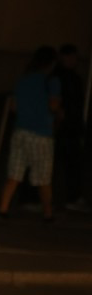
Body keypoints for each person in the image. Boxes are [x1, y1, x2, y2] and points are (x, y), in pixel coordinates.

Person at [0, 45, 61, 222]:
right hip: (41, 133)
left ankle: (3, 209)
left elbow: (14, 107)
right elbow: (54, 106)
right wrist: (58, 112)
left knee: (14, 174)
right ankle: (48, 212)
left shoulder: (23, 80)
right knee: (43, 177)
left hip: (20, 131)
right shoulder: (51, 81)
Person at [54, 43, 88, 211]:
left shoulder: (72, 78)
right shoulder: (61, 77)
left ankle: (72, 196)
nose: (73, 60)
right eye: (71, 56)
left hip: (70, 126)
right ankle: (70, 197)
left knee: (72, 163)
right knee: (65, 163)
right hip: (63, 127)